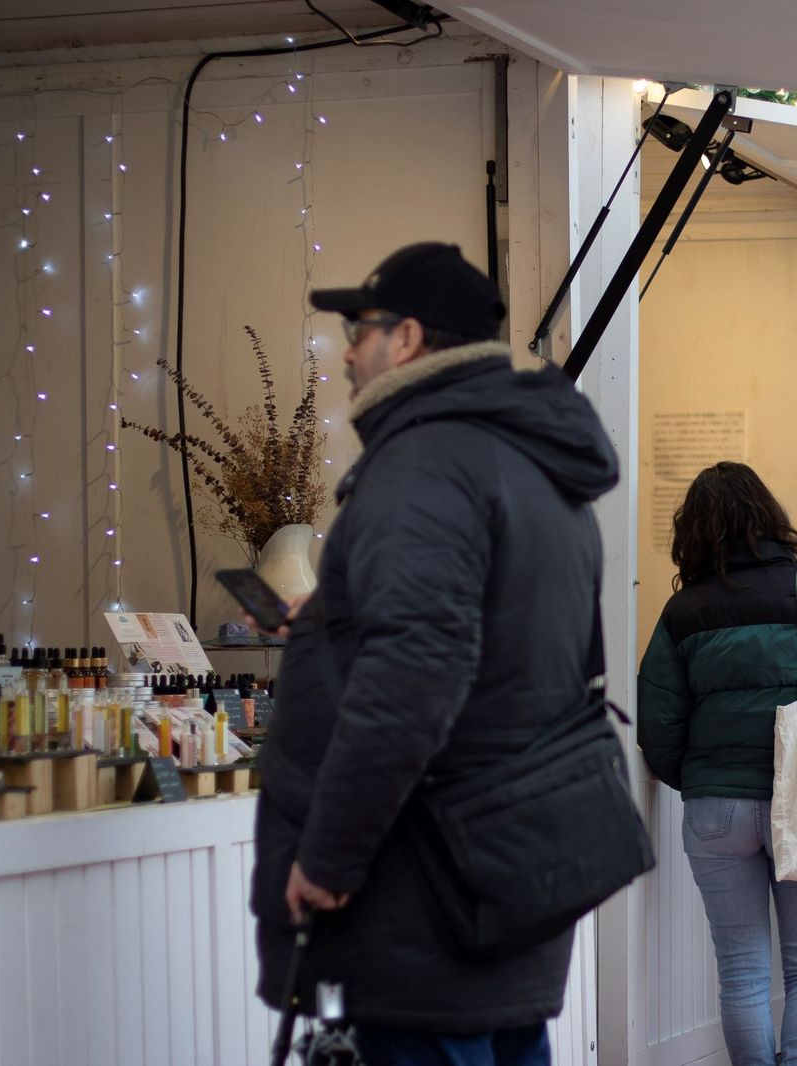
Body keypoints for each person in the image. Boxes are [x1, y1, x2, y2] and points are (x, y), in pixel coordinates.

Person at [248, 242, 620, 1065]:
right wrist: (334, 622)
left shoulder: (423, 464)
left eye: (360, 328)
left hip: (428, 882)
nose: (346, 351)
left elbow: (414, 679)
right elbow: (503, 643)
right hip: (507, 867)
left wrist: (328, 855)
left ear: (408, 337)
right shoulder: (529, 459)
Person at [638, 462, 797, 1066]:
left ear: (694, 532)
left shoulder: (682, 614)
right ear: (770, 519)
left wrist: (700, 781)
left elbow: (658, 723)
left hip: (716, 809)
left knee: (742, 971)